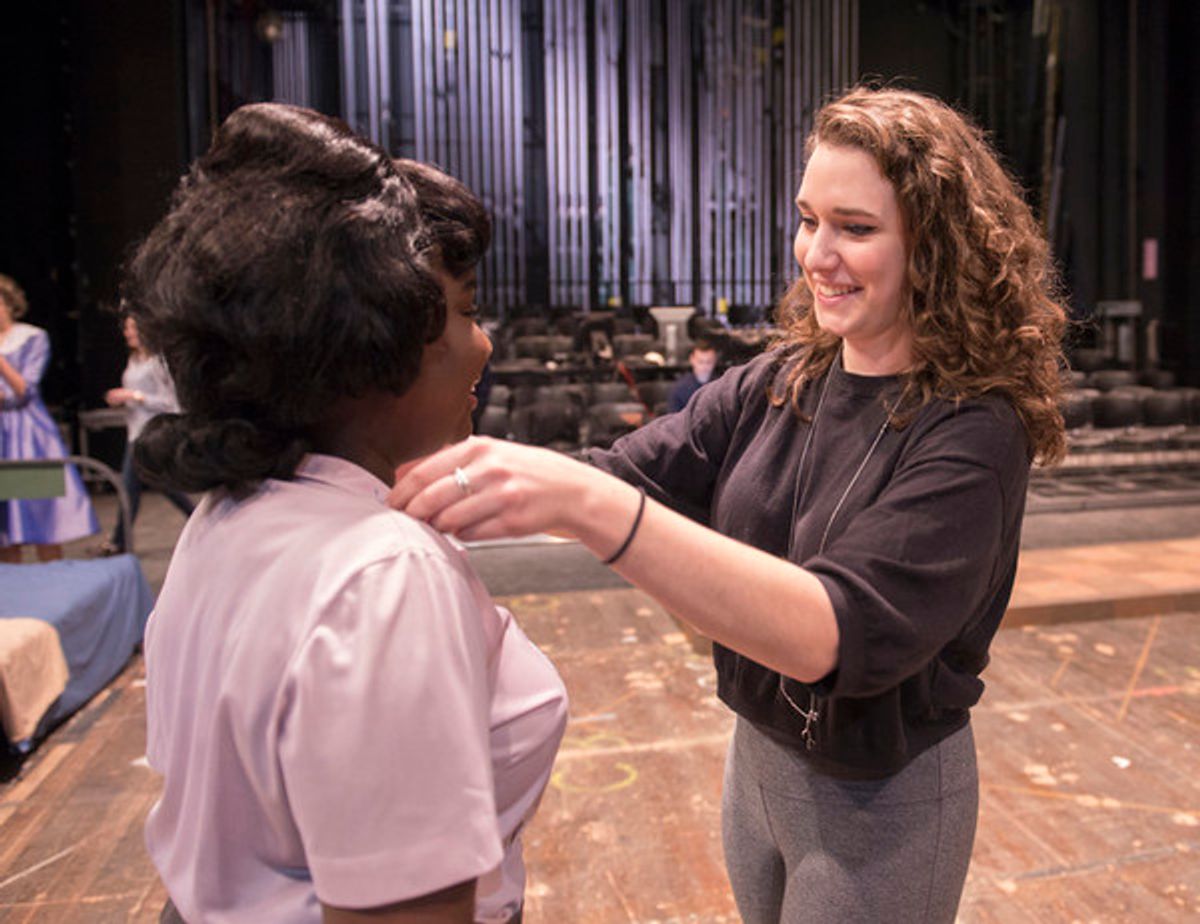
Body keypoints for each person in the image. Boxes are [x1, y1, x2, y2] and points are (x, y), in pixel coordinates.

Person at [391, 86, 1067, 923]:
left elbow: (837, 631)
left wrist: (588, 510)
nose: (817, 253)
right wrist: (421, 485)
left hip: (882, 802)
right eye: (809, 219)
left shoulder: (974, 431)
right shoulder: (779, 381)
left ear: (936, 249)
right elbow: (622, 470)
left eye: (855, 228)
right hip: (757, 765)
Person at [128, 103, 566, 924]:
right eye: (467, 311)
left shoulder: (227, 517)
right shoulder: (383, 574)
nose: (484, 345)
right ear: (374, 350)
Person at [0, 274, 98, 562]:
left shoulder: (32, 337)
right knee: (4, 527)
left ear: (8, 304)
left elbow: (25, 390)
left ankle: (53, 582)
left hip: (29, 434)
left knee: (44, 519)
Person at [99, 314, 194, 554]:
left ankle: (119, 541)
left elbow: (170, 403)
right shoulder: (134, 361)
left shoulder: (158, 362)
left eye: (132, 327)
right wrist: (121, 399)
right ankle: (120, 541)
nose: (127, 332)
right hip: (135, 432)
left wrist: (134, 396)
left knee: (133, 488)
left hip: (152, 434)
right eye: (127, 328)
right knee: (155, 486)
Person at [666, 337, 720, 413]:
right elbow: (673, 420)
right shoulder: (679, 389)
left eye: (709, 362)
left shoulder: (721, 387)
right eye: (700, 362)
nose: (704, 366)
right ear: (692, 360)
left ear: (715, 360)